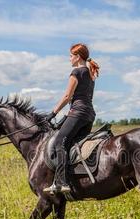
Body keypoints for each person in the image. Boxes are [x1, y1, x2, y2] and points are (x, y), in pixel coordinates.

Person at [43, 43, 100, 194]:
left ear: (78, 57)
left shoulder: (76, 72)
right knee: (74, 144)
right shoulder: (90, 74)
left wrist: (53, 113)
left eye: (70, 56)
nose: (69, 59)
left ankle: (61, 182)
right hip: (89, 115)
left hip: (78, 113)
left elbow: (68, 97)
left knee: (59, 143)